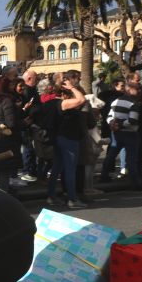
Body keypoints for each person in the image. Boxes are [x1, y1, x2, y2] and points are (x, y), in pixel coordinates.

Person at [45, 71, 89, 209]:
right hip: (68, 138)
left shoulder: (50, 102)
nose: (67, 80)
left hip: (58, 138)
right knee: (70, 169)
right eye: (64, 79)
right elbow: (81, 100)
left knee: (57, 167)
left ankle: (51, 196)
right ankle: (72, 199)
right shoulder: (62, 103)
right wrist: (72, 87)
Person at [100, 82, 142, 188]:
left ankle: (104, 176)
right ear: (129, 90)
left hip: (116, 133)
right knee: (132, 158)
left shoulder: (115, 101)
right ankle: (135, 182)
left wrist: (113, 124)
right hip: (130, 134)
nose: (139, 91)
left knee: (111, 155)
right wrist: (120, 124)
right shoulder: (133, 103)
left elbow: (109, 117)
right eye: (137, 89)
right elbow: (132, 120)